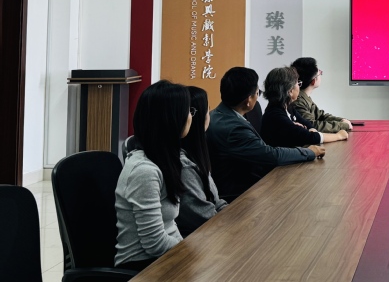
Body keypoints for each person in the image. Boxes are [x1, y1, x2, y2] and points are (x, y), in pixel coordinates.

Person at [206, 66, 324, 202]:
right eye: (257, 93)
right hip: (238, 195)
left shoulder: (218, 114)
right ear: (248, 100)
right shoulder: (234, 129)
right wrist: (309, 152)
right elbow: (271, 155)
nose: (258, 96)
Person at [114, 80, 190, 270]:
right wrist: (190, 252)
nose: (190, 116)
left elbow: (169, 226)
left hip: (165, 257)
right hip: (142, 266)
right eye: (188, 111)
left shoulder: (162, 159)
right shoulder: (144, 171)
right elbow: (154, 244)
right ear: (172, 119)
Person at [176, 86, 227, 236]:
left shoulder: (196, 153)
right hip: (201, 236)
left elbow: (216, 201)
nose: (210, 114)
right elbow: (204, 218)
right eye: (207, 109)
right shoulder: (184, 166)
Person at [260, 66, 349, 148]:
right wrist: (339, 136)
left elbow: (306, 123)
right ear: (290, 91)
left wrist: (311, 130)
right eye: (298, 84)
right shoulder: (275, 115)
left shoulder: (288, 108)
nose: (299, 87)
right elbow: (309, 137)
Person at [292, 57, 352, 133]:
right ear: (313, 81)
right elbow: (312, 125)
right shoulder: (298, 101)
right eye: (320, 73)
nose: (321, 74)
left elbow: (320, 116)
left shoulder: (304, 97)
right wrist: (342, 125)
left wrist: (341, 120)